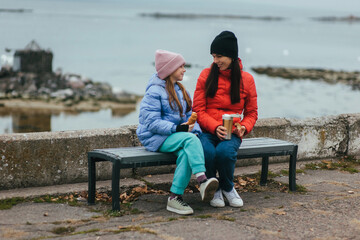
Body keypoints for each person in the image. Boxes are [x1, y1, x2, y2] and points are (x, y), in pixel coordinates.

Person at [136, 49, 219, 215]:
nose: (184, 69)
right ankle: (202, 180)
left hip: (175, 136)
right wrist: (177, 128)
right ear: (169, 69)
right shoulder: (154, 91)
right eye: (181, 66)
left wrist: (192, 129)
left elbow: (190, 116)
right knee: (189, 141)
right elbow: (151, 122)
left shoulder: (181, 90)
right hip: (155, 137)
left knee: (186, 152)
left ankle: (174, 198)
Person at [193, 31, 258, 208]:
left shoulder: (247, 79)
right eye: (213, 56)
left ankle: (228, 187)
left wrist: (244, 127)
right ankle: (214, 189)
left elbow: (252, 113)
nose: (215, 61)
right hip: (208, 130)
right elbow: (198, 109)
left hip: (232, 132)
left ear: (231, 55)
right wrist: (214, 127)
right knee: (208, 152)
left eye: (219, 56)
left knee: (224, 153)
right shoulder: (206, 75)